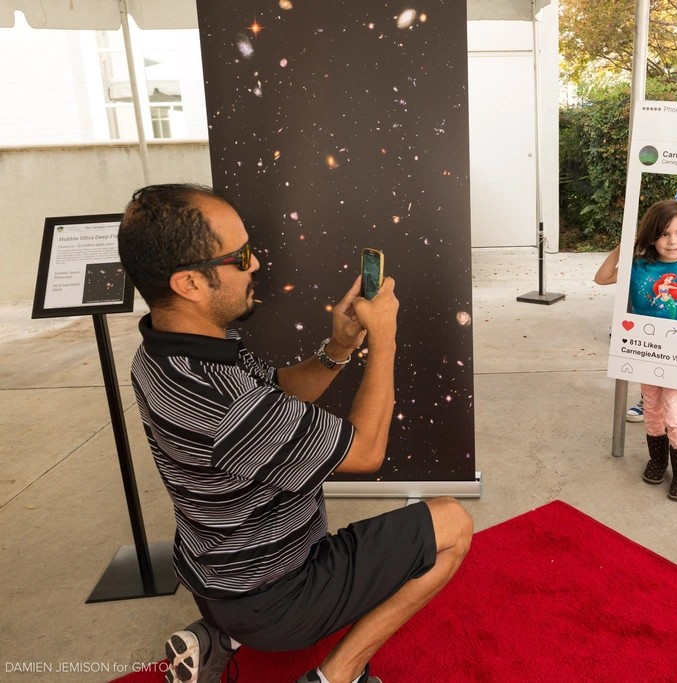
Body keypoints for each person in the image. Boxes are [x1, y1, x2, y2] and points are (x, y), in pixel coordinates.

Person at [117, 184, 473, 683]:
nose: (256, 263)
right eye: (238, 256)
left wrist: (340, 347)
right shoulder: (223, 401)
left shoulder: (168, 347)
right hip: (275, 597)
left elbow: (280, 391)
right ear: (190, 284)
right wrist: (385, 339)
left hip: (215, 577)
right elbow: (367, 453)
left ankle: (220, 635)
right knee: (452, 524)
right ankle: (336, 675)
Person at [594, 199, 677, 500]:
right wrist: (622, 248)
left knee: (674, 413)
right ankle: (657, 460)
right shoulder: (639, 266)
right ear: (652, 235)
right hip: (646, 351)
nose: (673, 241)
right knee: (652, 409)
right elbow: (601, 278)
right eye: (665, 234)